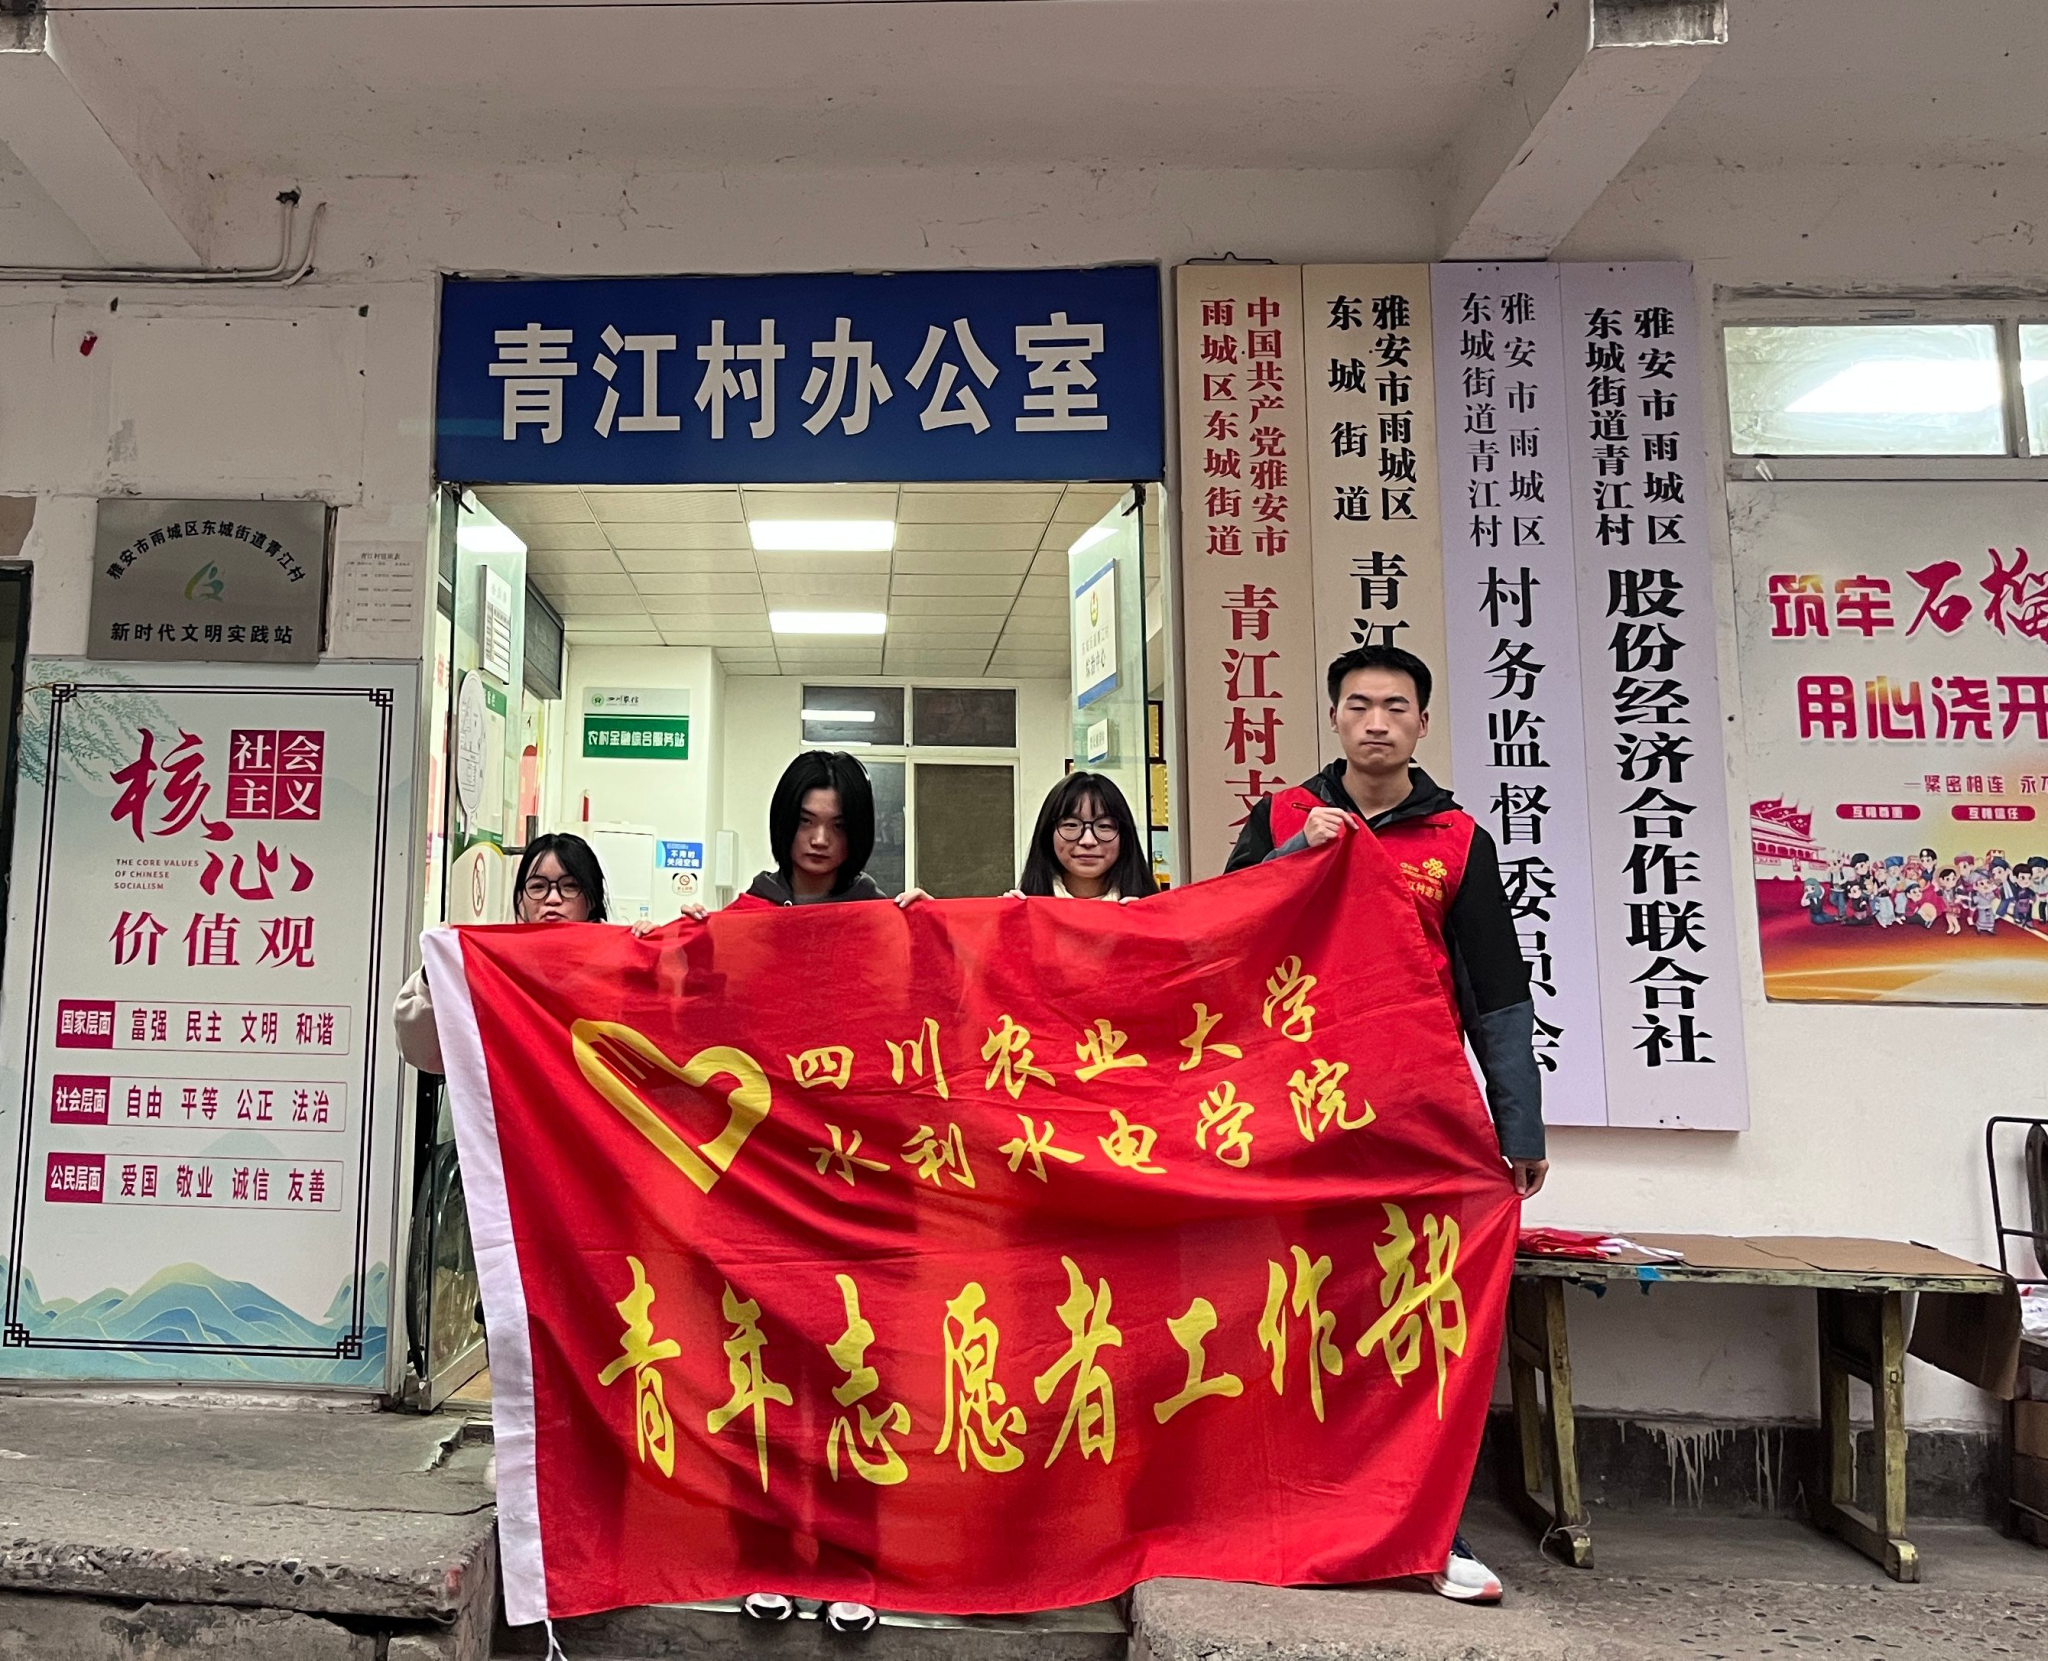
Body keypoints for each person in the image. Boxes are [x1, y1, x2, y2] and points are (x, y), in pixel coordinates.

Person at [1224, 643, 1544, 1607]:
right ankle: (1276, 1509)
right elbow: (1216, 932)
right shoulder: (1285, 815)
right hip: (1295, 1116)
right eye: (1359, 704)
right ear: (1333, 716)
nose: (1375, 721)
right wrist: (1293, 857)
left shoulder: (1457, 839)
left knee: (1410, 1319)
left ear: (1420, 723)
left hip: (1410, 1119)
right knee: (1290, 1311)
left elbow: (1497, 990)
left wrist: (1518, 1125)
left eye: (1395, 707)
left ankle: (1426, 1525)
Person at [392, 831, 641, 1074]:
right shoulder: (491, 964)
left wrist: (659, 959)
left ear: (592, 897)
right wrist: (435, 975)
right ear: (522, 897)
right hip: (507, 1102)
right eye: (538, 886)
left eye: (570, 886)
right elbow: (423, 1052)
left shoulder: (625, 962)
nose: (552, 898)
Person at [1011, 771, 1158, 902]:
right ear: (1048, 834)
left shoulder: (1153, 913)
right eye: (1071, 825)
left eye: (1104, 826)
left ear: (1125, 837)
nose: (1088, 841)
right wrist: (1007, 919)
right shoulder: (1023, 911)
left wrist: (1145, 919)